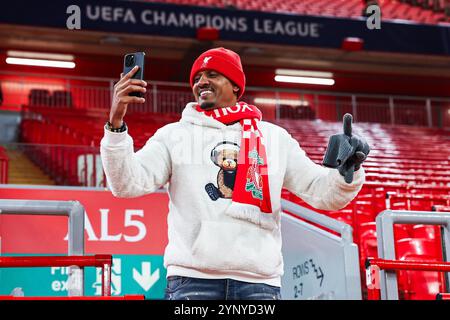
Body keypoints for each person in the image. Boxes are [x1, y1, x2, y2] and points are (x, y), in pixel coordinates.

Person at [100, 47, 370, 300]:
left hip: (260, 284)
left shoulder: (274, 138)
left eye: (213, 74)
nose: (202, 82)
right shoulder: (174, 135)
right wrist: (115, 123)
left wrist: (347, 172)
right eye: (197, 77)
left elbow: (322, 193)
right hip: (193, 282)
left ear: (236, 86)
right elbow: (126, 184)